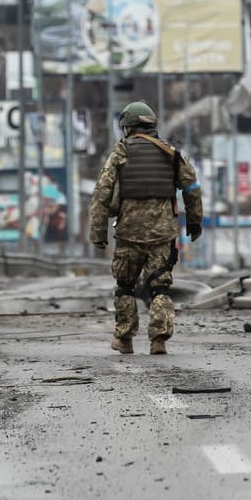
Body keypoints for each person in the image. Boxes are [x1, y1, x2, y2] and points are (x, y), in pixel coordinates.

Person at [90, 102, 202, 355]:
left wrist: (97, 232)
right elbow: (192, 188)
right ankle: (158, 340)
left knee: (126, 286)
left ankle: (124, 339)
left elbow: (102, 193)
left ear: (127, 127)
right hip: (163, 233)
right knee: (160, 286)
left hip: (129, 233)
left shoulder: (121, 152)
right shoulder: (171, 153)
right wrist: (195, 223)